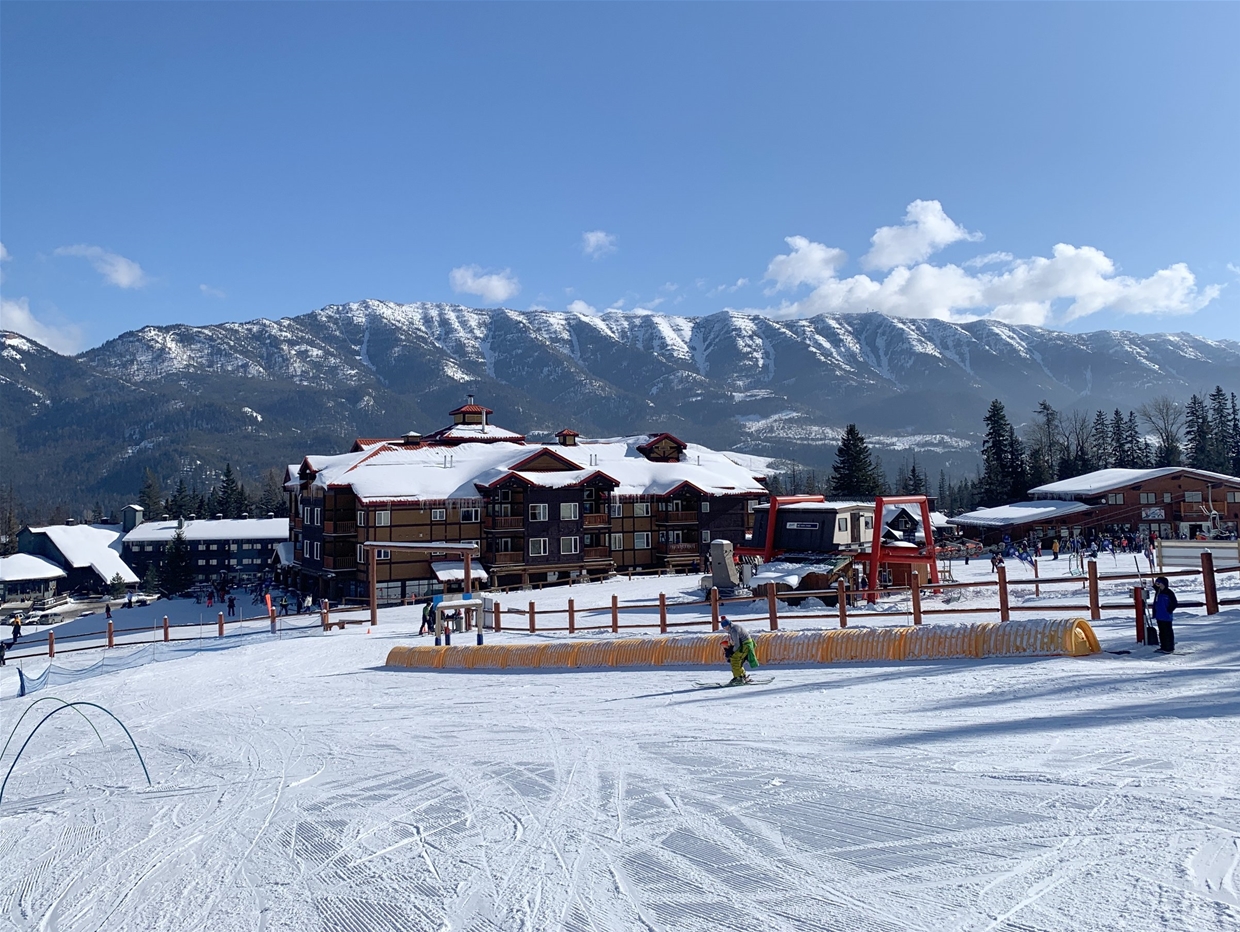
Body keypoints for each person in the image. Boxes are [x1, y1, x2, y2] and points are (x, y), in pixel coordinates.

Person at [719, 616, 758, 685]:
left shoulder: (734, 630)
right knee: (738, 659)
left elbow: (737, 644)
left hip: (745, 645)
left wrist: (732, 652)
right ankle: (742, 676)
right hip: (745, 644)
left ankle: (738, 678)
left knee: (734, 659)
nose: (725, 629)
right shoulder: (734, 628)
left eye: (725, 627)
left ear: (728, 625)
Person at [1152, 576, 1177, 653]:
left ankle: (1169, 648)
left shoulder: (1169, 593)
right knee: (1161, 632)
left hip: (1166, 616)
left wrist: (1169, 610)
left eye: (1159, 583)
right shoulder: (1158, 592)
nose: (1158, 585)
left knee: (1167, 632)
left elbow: (1174, 603)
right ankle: (1163, 646)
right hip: (1159, 616)